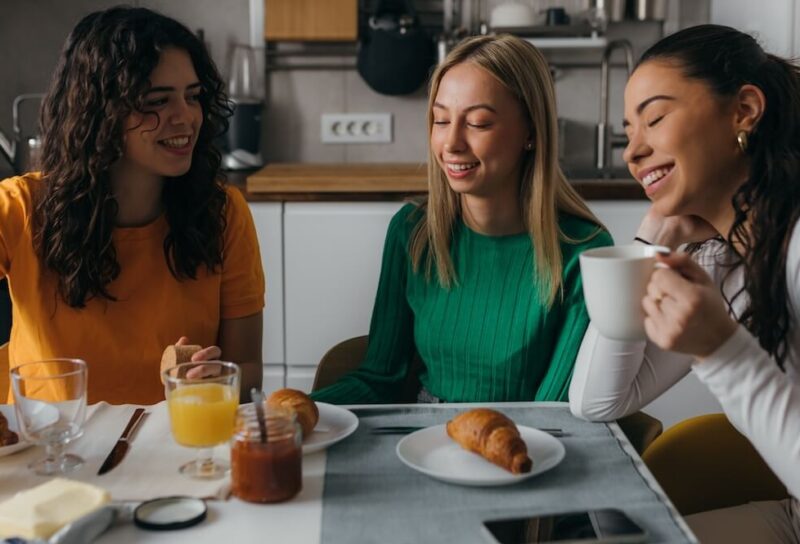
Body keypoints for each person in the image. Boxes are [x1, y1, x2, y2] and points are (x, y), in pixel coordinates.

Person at [569, 25, 800, 543]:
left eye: (655, 118)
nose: (633, 151)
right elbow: (597, 401)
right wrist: (651, 240)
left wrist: (721, 351)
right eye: (630, 130)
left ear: (744, 110)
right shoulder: (724, 262)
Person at [312, 35, 612, 405]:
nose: (451, 142)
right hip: (422, 444)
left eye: (479, 123)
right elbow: (380, 377)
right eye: (441, 120)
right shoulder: (412, 232)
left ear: (531, 133)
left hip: (526, 447)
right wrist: (289, 409)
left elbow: (554, 413)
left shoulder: (584, 253)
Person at [0, 7, 265, 404]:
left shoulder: (223, 212)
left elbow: (248, 370)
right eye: (157, 102)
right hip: (52, 453)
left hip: (175, 450)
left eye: (193, 97)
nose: (185, 117)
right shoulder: (20, 207)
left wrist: (217, 379)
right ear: (99, 113)